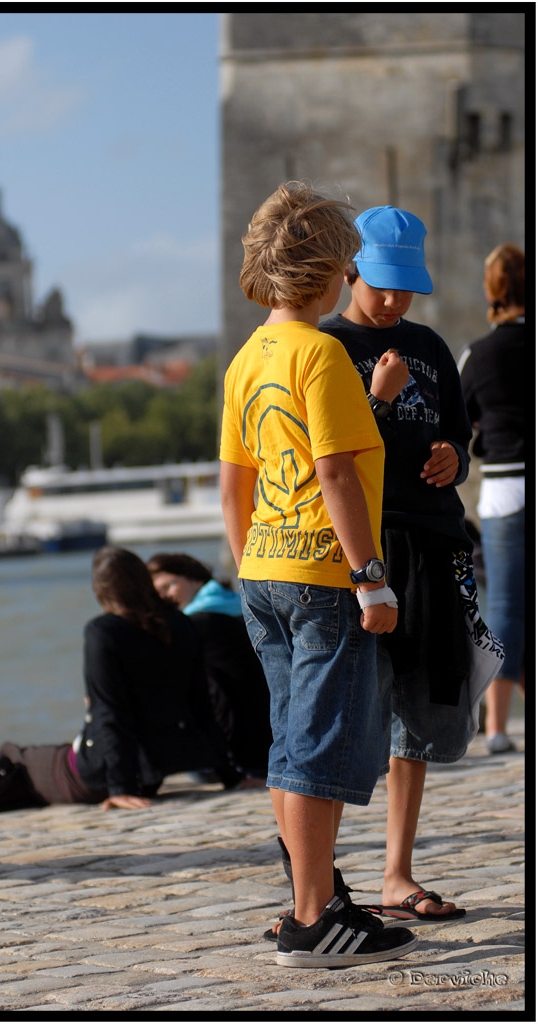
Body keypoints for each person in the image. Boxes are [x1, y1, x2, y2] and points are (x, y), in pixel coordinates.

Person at [219, 180, 418, 968]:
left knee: (289, 741)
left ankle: (314, 901)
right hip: (323, 571)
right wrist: (370, 576)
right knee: (319, 745)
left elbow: (236, 481)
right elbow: (334, 471)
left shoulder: (248, 359)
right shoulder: (321, 351)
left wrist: (246, 571)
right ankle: (313, 917)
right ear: (335, 270)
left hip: (263, 568)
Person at [317, 205, 476, 923]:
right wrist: (375, 403)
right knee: (345, 714)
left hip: (432, 542)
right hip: (362, 552)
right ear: (350, 271)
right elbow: (331, 461)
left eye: (406, 287)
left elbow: (456, 434)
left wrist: (454, 457)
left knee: (414, 719)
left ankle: (396, 873)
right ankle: (318, 886)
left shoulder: (430, 345)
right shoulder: (326, 346)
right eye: (382, 285)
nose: (394, 301)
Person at [0, 546, 260, 817]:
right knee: (19, 777)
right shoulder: (181, 625)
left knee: (12, 763)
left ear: (103, 594)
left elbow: (110, 711)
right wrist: (231, 773)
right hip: (151, 767)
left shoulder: (105, 632)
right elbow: (200, 704)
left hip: (99, 772)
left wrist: (120, 788)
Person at [458, 243, 525, 754]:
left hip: (505, 486)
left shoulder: (479, 354)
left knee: (503, 605)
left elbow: (461, 422)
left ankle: (499, 727)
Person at [147, 551, 272, 778]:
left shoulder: (195, 624)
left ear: (194, 578)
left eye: (168, 586)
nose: (164, 597)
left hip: (240, 749)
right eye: (158, 593)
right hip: (272, 735)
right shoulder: (245, 604)